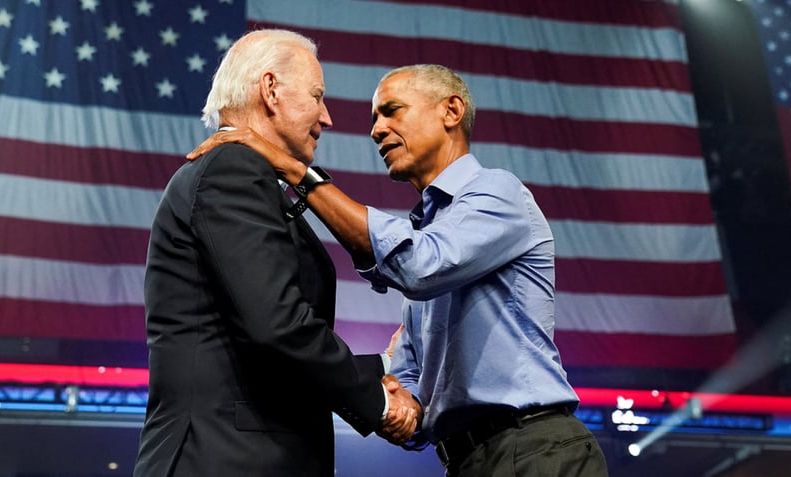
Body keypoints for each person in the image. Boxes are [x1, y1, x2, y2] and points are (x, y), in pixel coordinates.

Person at [188, 64, 610, 476]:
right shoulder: (431, 232)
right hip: (468, 460)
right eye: (375, 119)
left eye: (391, 111)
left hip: (534, 449)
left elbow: (419, 266)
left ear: (451, 111)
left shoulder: (498, 194)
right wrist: (389, 401)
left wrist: (298, 173)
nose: (376, 130)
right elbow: (411, 383)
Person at [133, 29, 418, 477]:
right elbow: (276, 325)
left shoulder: (252, 177)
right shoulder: (232, 168)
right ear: (270, 90)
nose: (326, 117)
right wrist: (379, 398)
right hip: (223, 459)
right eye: (317, 95)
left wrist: (383, 367)